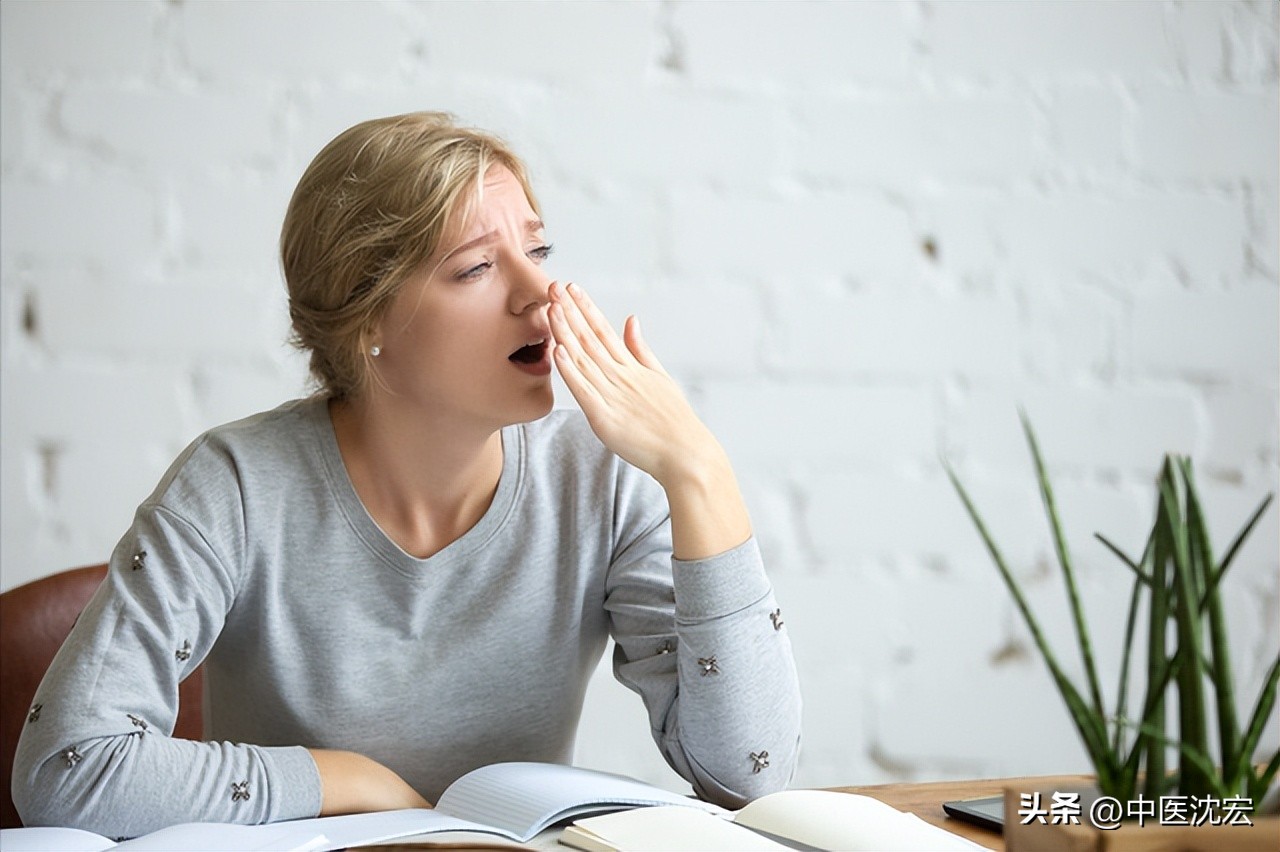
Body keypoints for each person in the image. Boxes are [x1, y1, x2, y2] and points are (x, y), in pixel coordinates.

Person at [12, 112, 801, 838]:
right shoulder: (236, 485)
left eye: (538, 250)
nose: (540, 295)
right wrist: (338, 779)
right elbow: (63, 769)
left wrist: (700, 474)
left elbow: (746, 775)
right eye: (475, 269)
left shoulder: (601, 482)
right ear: (369, 321)